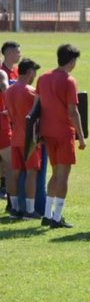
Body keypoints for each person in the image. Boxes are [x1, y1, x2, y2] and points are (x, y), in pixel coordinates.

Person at [36, 44, 86, 228]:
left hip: (47, 132)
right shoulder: (69, 80)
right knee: (63, 176)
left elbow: (36, 106)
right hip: (64, 134)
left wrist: (38, 132)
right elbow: (73, 111)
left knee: (55, 173)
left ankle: (47, 214)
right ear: (72, 61)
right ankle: (57, 218)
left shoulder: (43, 78)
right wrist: (81, 137)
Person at [4, 58, 40, 219]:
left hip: (15, 137)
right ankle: (30, 210)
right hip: (30, 138)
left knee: (14, 172)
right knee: (32, 173)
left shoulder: (9, 91)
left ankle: (14, 208)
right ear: (30, 72)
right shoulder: (31, 91)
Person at [0, 41, 20, 203]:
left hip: (10, 119)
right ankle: (11, 202)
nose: (19, 54)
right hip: (3, 120)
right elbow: (7, 90)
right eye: (16, 52)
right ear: (8, 53)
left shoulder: (17, 71)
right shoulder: (2, 72)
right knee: (11, 161)